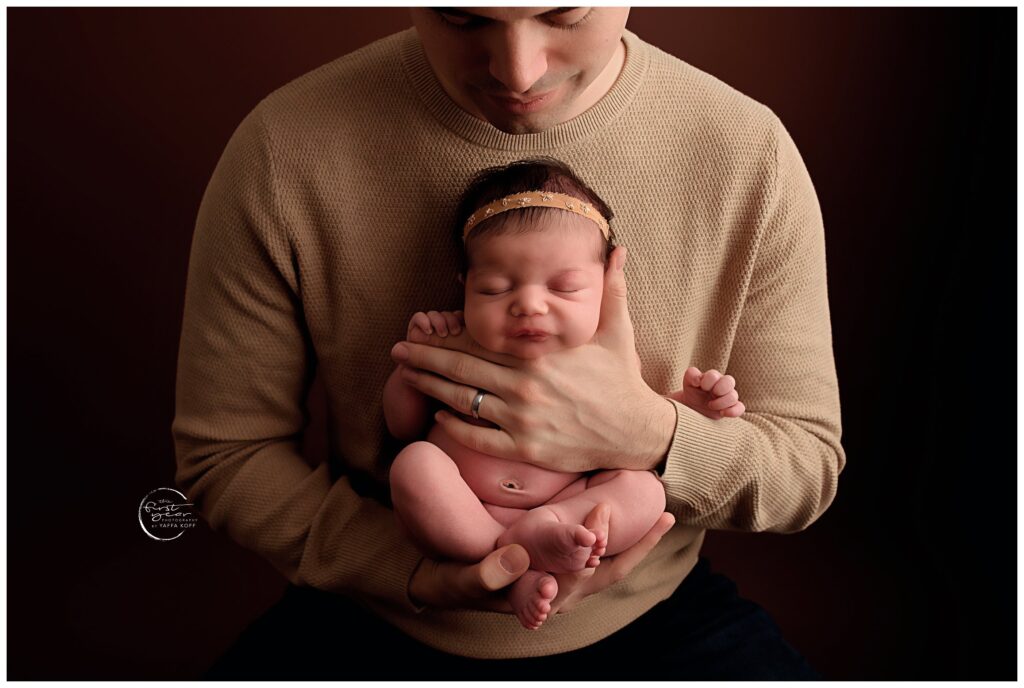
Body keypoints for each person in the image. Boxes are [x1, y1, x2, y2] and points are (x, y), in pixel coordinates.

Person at [174, 6, 844, 679]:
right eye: (464, 19)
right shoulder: (284, 146)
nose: (517, 72)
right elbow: (227, 457)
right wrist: (416, 572)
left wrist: (656, 431)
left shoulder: (746, 149)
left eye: (564, 12)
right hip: (374, 603)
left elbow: (803, 470)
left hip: (654, 615)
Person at [385, 158, 746, 630]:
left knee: (645, 491)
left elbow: (636, 423)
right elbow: (401, 426)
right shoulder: (455, 347)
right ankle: (505, 555)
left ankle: (540, 538)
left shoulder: (606, 359)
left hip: (571, 505)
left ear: (605, 287)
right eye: (495, 289)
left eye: (565, 287)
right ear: (465, 288)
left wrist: (689, 409)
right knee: (413, 465)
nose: (529, 304)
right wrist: (411, 367)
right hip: (467, 512)